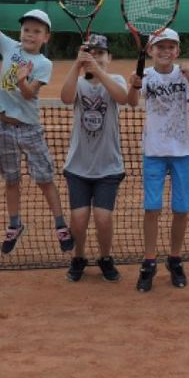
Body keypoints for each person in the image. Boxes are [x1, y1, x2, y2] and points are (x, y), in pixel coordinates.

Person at [0, 0, 74, 257]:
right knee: (11, 180)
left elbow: (29, 95)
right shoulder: (10, 47)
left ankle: (60, 225)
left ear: (46, 37)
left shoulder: (44, 64)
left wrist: (20, 80)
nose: (30, 34)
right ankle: (15, 224)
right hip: (4, 128)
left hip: (30, 130)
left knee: (44, 179)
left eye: (37, 31)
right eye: (27, 29)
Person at [126, 28, 189, 291]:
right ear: (150, 51)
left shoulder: (185, 75)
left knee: (181, 209)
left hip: (182, 152)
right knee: (152, 208)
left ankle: (175, 258)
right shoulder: (145, 75)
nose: (166, 51)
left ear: (178, 51)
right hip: (154, 152)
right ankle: (149, 262)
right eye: (160, 47)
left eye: (171, 47)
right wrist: (134, 86)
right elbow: (131, 102)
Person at [58, 32, 131, 282]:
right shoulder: (78, 84)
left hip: (108, 167)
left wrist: (99, 72)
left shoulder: (116, 80)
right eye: (92, 53)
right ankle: (78, 257)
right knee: (78, 220)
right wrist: (76, 65)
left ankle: (105, 257)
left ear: (109, 57)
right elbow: (66, 98)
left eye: (100, 53)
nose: (96, 57)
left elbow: (123, 97)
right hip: (78, 166)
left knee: (103, 218)